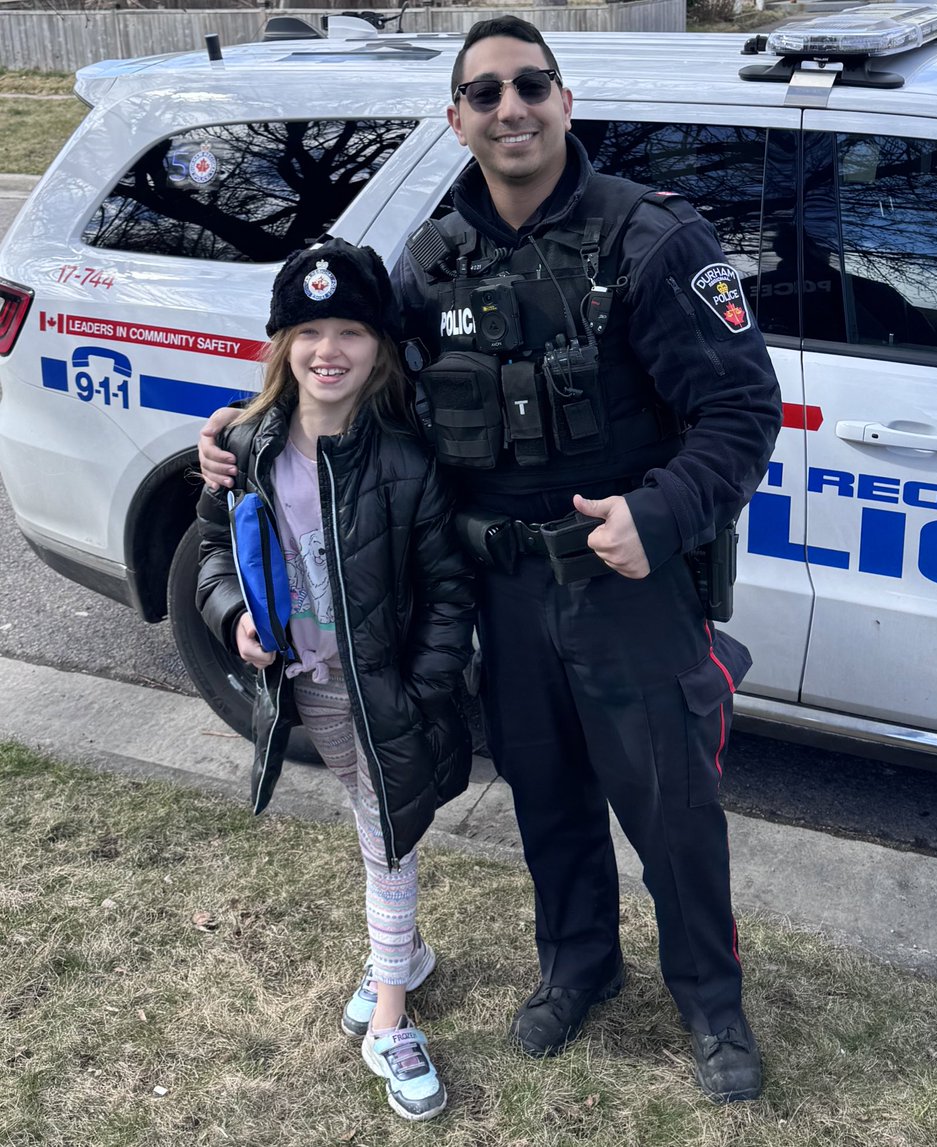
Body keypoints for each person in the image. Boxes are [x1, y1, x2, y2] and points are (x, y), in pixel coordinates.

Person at [200, 15, 782, 1103]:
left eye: (531, 85)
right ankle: (578, 967)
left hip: (630, 587)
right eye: (485, 92)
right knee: (546, 795)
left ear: (565, 101)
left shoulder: (651, 243)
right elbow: (362, 384)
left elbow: (743, 411)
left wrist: (657, 515)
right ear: (456, 118)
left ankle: (713, 1002)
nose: (510, 107)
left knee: (670, 808)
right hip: (504, 591)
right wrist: (252, 424)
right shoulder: (429, 265)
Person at [194, 238, 475, 1122]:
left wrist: (425, 689)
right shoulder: (242, 444)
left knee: (386, 838)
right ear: (282, 343)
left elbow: (447, 588)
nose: (329, 350)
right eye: (309, 330)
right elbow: (212, 552)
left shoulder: (406, 456)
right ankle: (406, 959)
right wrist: (232, 614)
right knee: (375, 823)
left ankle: (389, 1017)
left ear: (380, 345)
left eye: (350, 329)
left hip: (383, 691)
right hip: (306, 684)